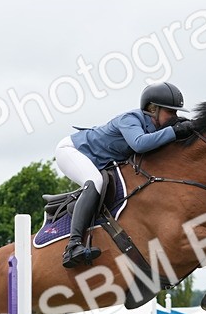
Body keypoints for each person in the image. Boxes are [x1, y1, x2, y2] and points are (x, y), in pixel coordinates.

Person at [53, 81, 197, 268]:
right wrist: (174, 131)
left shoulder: (155, 128)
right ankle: (73, 246)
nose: (174, 117)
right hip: (72, 151)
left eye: (176, 113)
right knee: (95, 181)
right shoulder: (131, 119)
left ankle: (81, 208)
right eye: (170, 112)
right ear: (153, 109)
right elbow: (139, 144)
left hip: (98, 160)